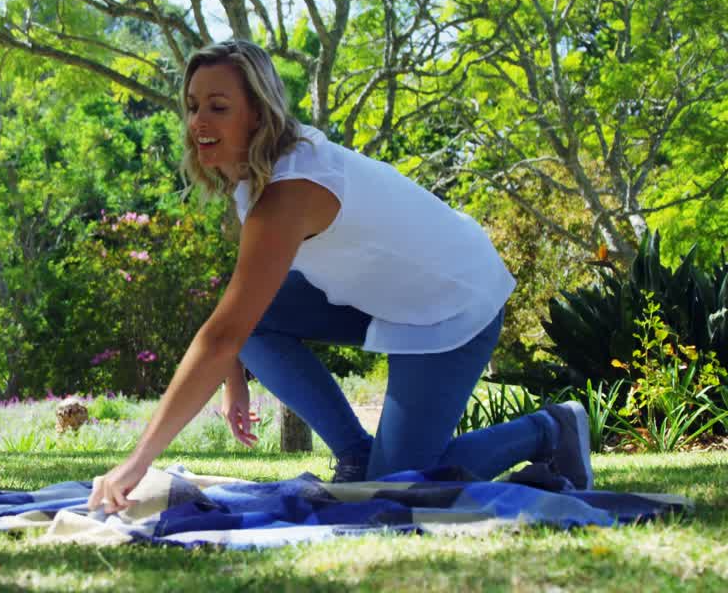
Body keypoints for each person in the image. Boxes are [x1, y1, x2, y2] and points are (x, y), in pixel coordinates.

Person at [87, 40, 592, 514]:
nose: (198, 120)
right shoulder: (256, 174)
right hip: (382, 291)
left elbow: (223, 332)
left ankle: (552, 428)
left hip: (452, 299)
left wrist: (139, 461)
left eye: (218, 107)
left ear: (258, 113)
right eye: (193, 105)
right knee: (353, 459)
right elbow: (243, 306)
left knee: (392, 490)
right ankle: (355, 455)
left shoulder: (290, 190)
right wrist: (233, 377)